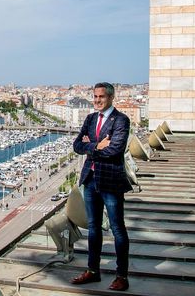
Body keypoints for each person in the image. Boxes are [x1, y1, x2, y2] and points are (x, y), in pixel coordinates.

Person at [71, 82, 131, 291]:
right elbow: (77, 145)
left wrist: (91, 148)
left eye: (101, 97)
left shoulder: (121, 120)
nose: (96, 100)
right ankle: (93, 271)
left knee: (117, 229)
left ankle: (122, 276)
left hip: (111, 181)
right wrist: (97, 145)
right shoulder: (90, 118)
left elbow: (115, 150)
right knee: (93, 228)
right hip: (90, 179)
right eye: (95, 96)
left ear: (111, 98)